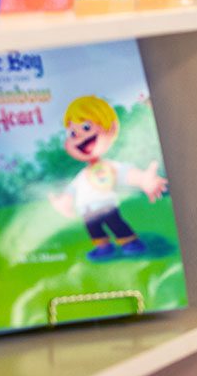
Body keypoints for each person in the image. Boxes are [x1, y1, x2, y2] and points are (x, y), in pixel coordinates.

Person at [46, 95, 168, 260]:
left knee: (116, 224)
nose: (80, 137)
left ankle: (130, 243)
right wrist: (64, 202)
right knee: (94, 230)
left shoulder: (110, 166)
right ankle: (103, 247)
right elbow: (73, 189)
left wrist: (143, 180)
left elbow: (126, 173)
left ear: (110, 129)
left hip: (106, 207)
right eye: (73, 133)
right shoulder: (83, 175)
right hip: (87, 211)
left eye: (86, 127)